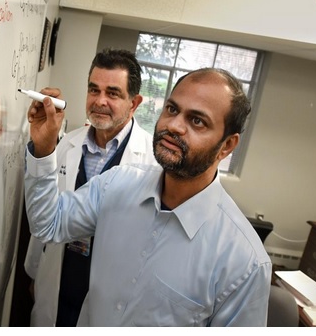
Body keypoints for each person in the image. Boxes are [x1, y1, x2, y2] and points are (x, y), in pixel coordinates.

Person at [23, 67, 272, 326]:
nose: (174, 126)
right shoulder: (117, 185)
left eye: (197, 121)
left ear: (227, 146)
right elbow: (47, 223)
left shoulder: (245, 263)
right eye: (172, 109)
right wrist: (43, 147)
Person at [23, 48, 156, 327]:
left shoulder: (153, 164)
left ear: (134, 103)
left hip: (109, 301)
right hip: (58, 285)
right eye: (93, 90)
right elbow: (44, 213)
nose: (100, 101)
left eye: (113, 93)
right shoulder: (66, 144)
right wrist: (35, 274)